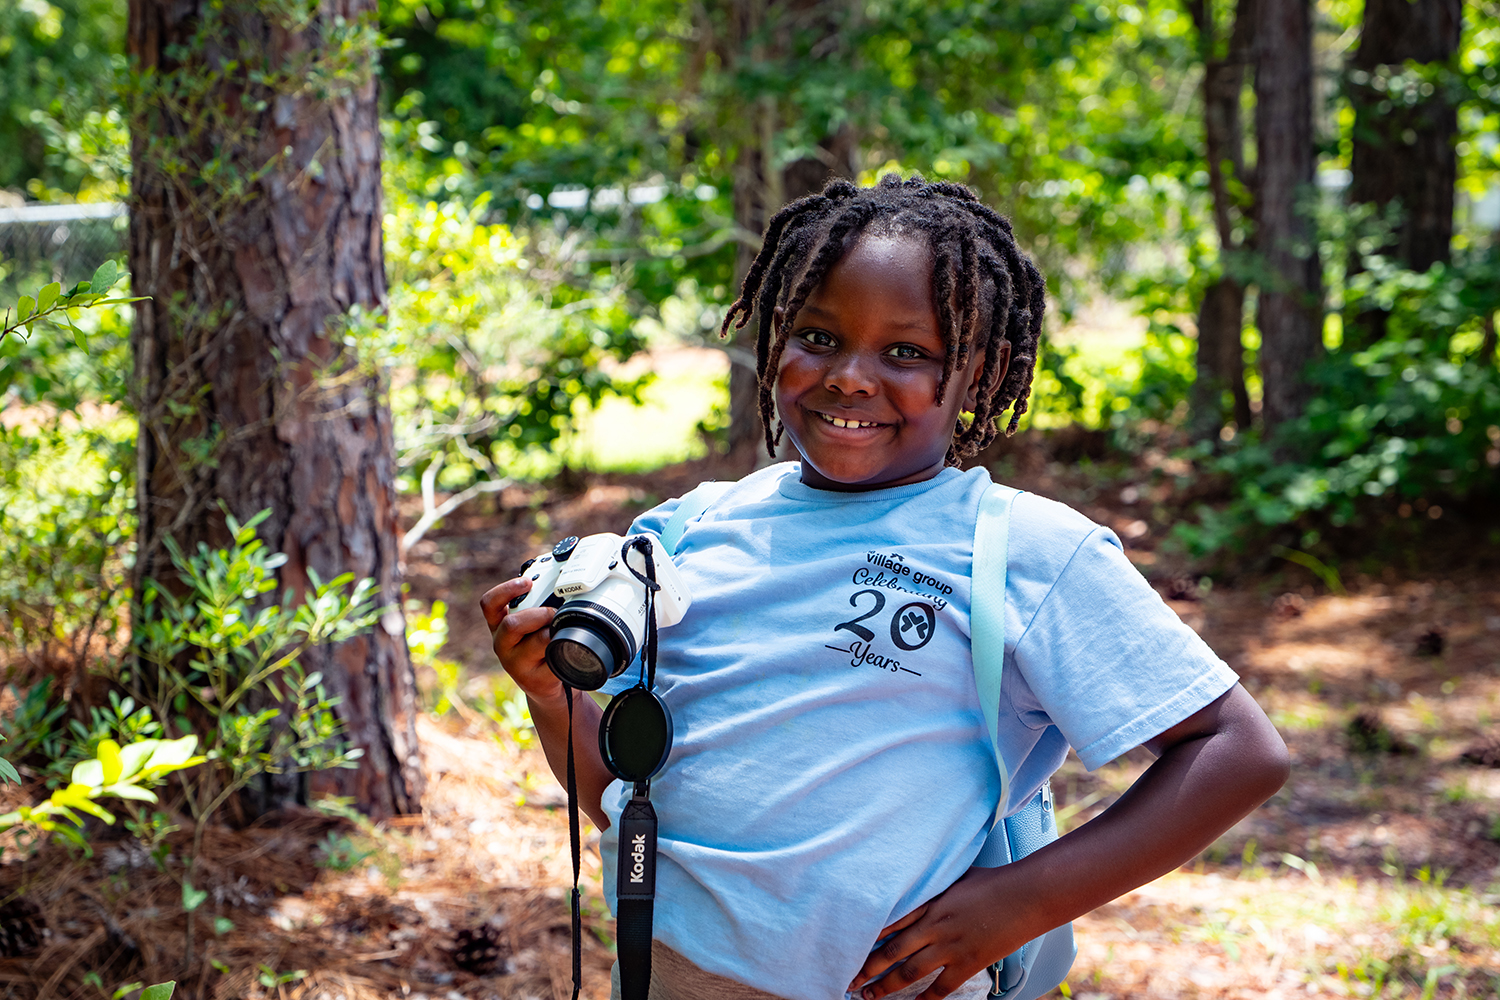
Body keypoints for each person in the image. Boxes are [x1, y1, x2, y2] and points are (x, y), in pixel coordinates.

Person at [481, 174, 1289, 1000]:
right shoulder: (687, 533)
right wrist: (552, 697)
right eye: (817, 337)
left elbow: (1238, 751)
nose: (850, 377)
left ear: (980, 373)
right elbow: (625, 799)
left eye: (906, 353)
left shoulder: (1020, 551)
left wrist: (1020, 902)